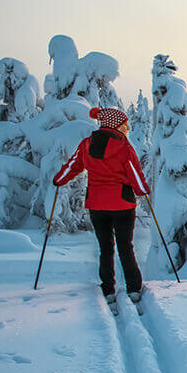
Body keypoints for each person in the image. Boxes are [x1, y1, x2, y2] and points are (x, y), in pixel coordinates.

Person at [53, 106, 150, 311]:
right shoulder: (124, 147)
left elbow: (72, 167)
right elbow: (134, 173)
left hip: (97, 206)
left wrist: (59, 180)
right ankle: (133, 288)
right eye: (124, 125)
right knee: (125, 246)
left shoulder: (87, 144)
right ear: (116, 125)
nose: (126, 128)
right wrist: (143, 190)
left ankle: (108, 290)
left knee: (105, 248)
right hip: (123, 204)